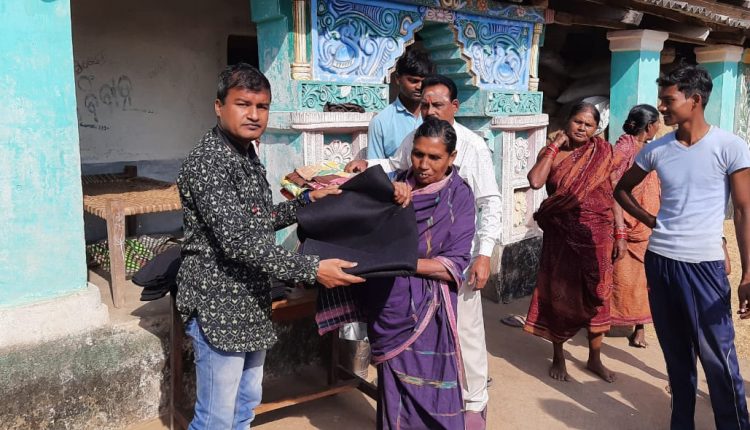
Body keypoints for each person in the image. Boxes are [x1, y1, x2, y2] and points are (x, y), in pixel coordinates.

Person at [176, 63, 366, 430]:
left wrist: (306, 202)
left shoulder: (246, 154)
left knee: (245, 405)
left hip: (251, 297)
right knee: (215, 417)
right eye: (243, 104)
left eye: (262, 106)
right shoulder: (208, 162)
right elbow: (237, 240)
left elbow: (257, 220)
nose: (253, 114)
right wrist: (312, 269)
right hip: (218, 303)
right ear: (219, 106)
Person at [347, 74, 501, 429]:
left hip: (454, 263)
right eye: (425, 105)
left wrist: (484, 254)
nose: (429, 111)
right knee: (398, 367)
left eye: (438, 105)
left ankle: (473, 408)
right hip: (400, 288)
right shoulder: (414, 141)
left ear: (454, 107)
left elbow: (489, 202)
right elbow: (395, 166)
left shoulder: (472, 148)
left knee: (465, 340)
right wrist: (373, 171)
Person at [615, 64, 750, 430]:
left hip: (704, 266)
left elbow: (743, 210)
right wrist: (652, 220)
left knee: (718, 359)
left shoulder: (729, 146)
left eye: (668, 99)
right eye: (661, 99)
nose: (661, 107)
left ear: (695, 100)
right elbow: (621, 189)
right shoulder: (657, 149)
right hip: (660, 262)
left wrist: (748, 273)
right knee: (676, 357)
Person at [356, 117, 476, 429]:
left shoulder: (459, 195)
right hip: (389, 304)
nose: (423, 165)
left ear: (451, 157)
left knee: (433, 392)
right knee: (393, 391)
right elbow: (364, 233)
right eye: (418, 154)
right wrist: (389, 198)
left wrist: (398, 261)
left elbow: (454, 264)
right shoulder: (395, 186)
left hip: (430, 310)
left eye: (434, 157)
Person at [523, 101, 625, 383]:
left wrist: (620, 233)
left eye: (589, 125)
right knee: (560, 293)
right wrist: (555, 146)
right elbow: (535, 181)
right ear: (568, 121)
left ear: (596, 129)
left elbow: (615, 194)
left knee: (598, 295)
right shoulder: (552, 152)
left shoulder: (603, 153)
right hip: (561, 237)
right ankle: (558, 356)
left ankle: (595, 358)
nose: (582, 128)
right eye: (578, 122)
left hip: (598, 236)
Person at [610, 104, 661, 348]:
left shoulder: (650, 149)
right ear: (649, 126)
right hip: (628, 223)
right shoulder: (625, 147)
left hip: (648, 222)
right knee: (621, 276)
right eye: (658, 123)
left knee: (646, 278)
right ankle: (608, 320)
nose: (659, 127)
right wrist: (620, 228)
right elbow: (613, 184)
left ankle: (640, 326)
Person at [367, 49, 432, 159]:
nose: (419, 87)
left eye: (424, 81)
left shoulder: (436, 115)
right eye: (413, 81)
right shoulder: (381, 122)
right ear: (398, 78)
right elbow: (375, 165)